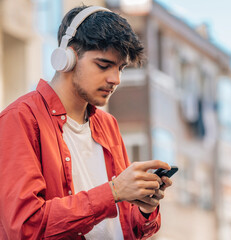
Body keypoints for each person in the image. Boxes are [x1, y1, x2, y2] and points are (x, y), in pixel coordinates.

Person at [0, 5, 173, 240]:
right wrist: (112, 192)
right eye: (103, 65)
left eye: (120, 68)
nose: (116, 79)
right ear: (67, 58)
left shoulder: (108, 125)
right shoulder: (20, 119)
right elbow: (25, 227)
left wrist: (145, 207)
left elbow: (123, 229)